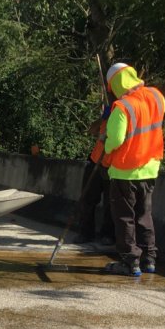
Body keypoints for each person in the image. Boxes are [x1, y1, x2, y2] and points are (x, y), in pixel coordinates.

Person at [103, 62, 165, 276]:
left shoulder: (122, 107)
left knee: (125, 219)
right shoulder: (157, 97)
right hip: (150, 169)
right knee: (144, 216)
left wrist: (106, 143)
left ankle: (130, 262)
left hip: (124, 172)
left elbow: (116, 139)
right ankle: (149, 259)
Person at [74, 93, 116, 246]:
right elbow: (91, 130)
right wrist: (103, 118)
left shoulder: (124, 112)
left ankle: (108, 235)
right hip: (95, 160)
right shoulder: (109, 110)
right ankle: (85, 232)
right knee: (87, 198)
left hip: (113, 164)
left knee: (110, 203)